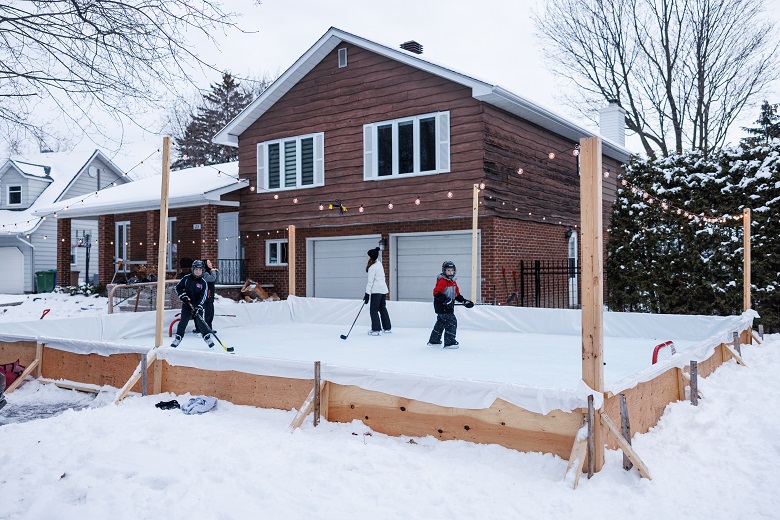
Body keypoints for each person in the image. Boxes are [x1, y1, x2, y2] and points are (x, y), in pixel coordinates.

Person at [427, 261, 474, 349]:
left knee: (441, 322)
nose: (450, 272)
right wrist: (446, 300)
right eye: (448, 270)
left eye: (452, 271)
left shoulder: (453, 282)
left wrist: (464, 301)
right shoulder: (442, 281)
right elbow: (436, 293)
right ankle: (449, 342)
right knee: (451, 322)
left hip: (448, 307)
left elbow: (457, 295)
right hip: (442, 306)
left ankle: (434, 340)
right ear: (444, 271)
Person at [171, 260, 215, 348]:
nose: (197, 271)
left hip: (198, 306)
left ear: (202, 270)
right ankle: (178, 338)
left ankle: (207, 337)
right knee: (183, 322)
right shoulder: (186, 278)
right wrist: (182, 295)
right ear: (192, 269)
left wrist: (199, 306)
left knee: (201, 322)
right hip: (187, 305)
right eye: (196, 269)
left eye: (199, 270)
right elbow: (178, 288)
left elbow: (203, 296)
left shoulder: (203, 282)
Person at [364, 247, 391, 336]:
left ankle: (376, 329)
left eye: (368, 256)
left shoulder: (372, 268)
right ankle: (387, 328)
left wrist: (367, 294)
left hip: (376, 291)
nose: (366, 257)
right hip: (383, 290)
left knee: (373, 310)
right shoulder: (379, 264)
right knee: (382, 308)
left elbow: (370, 282)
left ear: (371, 257)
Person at [195, 258, 218, 335]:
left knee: (210, 312)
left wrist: (215, 272)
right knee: (205, 312)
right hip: (205, 296)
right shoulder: (204, 273)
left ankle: (208, 327)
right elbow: (212, 279)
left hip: (209, 295)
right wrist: (213, 271)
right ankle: (201, 328)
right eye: (208, 263)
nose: (210, 264)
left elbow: (215, 280)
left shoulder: (209, 272)